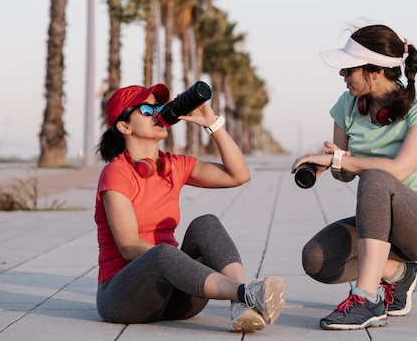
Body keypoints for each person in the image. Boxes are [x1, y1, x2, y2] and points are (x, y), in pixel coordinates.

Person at [291, 24, 417, 330]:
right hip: (379, 225)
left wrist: (344, 161)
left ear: (376, 71)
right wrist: (332, 163)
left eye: (349, 69)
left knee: (377, 177)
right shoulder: (347, 105)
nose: (342, 76)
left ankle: (367, 299)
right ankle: (402, 276)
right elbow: (344, 175)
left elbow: (401, 170)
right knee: (315, 259)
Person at [94, 83, 285, 332]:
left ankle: (241, 303)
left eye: (159, 107)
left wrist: (213, 124)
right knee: (163, 252)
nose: (157, 113)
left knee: (206, 223)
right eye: (146, 109)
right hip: (124, 299)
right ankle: (246, 292)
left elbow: (238, 175)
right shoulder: (116, 173)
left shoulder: (174, 165)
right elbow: (129, 246)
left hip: (176, 297)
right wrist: (177, 262)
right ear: (124, 126)